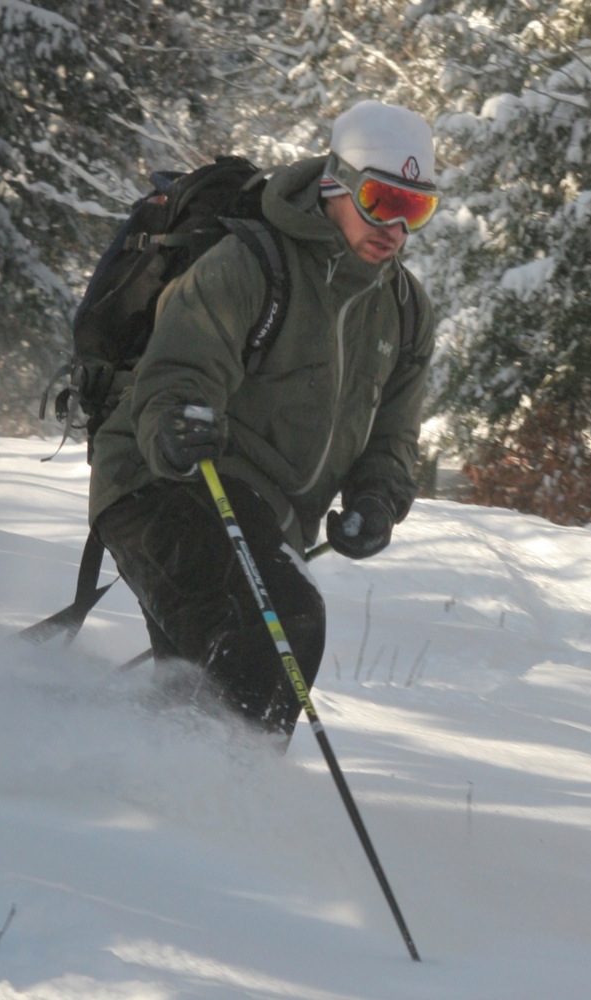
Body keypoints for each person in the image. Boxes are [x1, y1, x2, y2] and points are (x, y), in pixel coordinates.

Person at [89, 99, 439, 745]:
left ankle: (103, 771)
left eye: (414, 208)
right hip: (164, 479)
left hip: (263, 520)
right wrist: (177, 423)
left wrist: (377, 499)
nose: (393, 225)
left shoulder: (405, 312)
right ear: (336, 182)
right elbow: (176, 370)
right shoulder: (255, 262)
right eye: (379, 198)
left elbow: (393, 439)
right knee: (283, 627)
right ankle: (224, 802)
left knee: (204, 679)